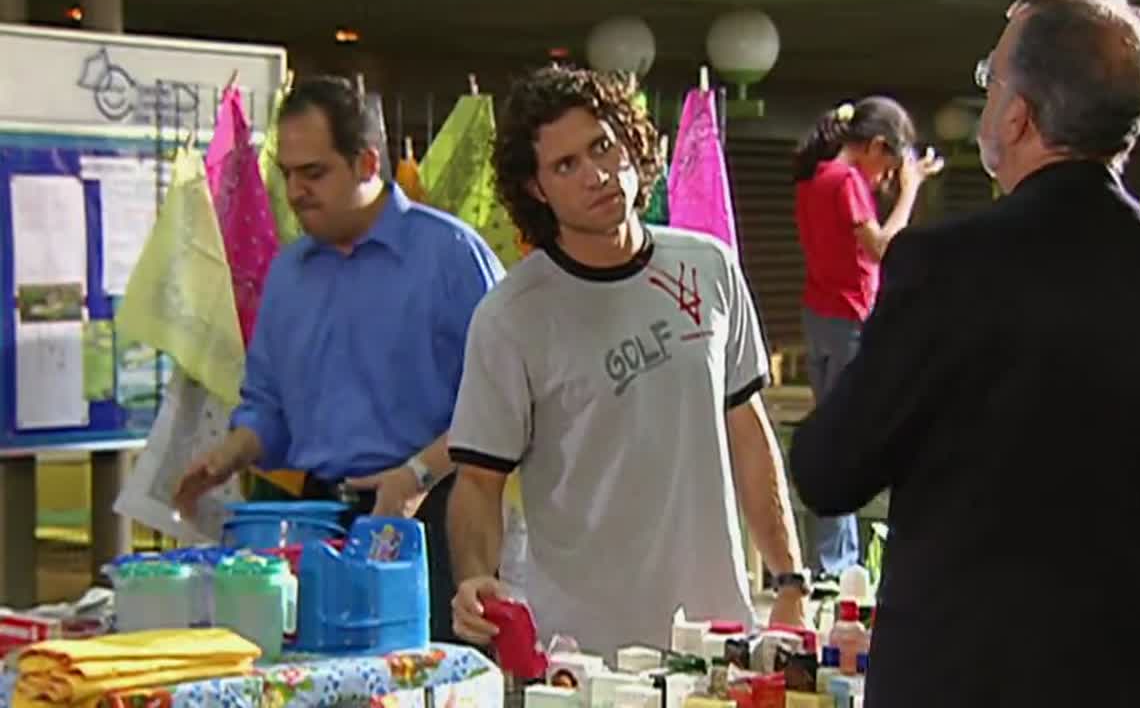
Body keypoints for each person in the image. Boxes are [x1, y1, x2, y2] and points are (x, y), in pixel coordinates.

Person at [788, 0, 1140, 705]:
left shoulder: (942, 269)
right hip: (1109, 684)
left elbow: (828, 471)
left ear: (1019, 115)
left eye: (991, 78)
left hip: (954, 680)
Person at [445, 65, 808, 659]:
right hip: (580, 652)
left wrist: (789, 579)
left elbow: (748, 430)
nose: (597, 174)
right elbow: (479, 482)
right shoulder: (511, 316)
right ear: (536, 188)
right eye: (566, 165)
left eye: (602, 146)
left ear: (631, 143)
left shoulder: (710, 266)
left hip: (717, 634)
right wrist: (475, 578)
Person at [172, 76, 504, 643]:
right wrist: (230, 453)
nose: (295, 191)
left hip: (435, 520)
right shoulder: (288, 273)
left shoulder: (451, 256)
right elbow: (268, 404)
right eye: (287, 174)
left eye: (314, 173)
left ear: (367, 162)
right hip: (317, 519)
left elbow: (503, 406)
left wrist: (416, 475)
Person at [791, 98, 942, 579]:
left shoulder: (814, 177)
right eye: (888, 169)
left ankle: (838, 560)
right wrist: (910, 192)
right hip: (848, 321)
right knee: (849, 439)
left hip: (819, 317)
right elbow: (881, 248)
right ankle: (836, 565)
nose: (883, 181)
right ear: (875, 146)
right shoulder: (845, 181)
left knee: (836, 432)